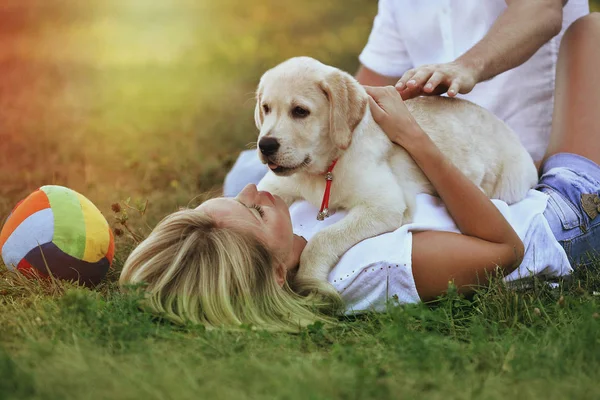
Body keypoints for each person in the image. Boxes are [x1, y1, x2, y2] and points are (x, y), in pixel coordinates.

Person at [120, 14, 600, 331]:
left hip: (477, 162)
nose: (254, 191)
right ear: (278, 273)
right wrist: (414, 137)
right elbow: (507, 249)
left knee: (249, 165)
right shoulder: (380, 265)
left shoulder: (284, 239)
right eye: (255, 209)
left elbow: (349, 96)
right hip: (557, 218)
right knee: (590, 32)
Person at [223, 0, 589, 196]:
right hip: (430, 147)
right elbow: (364, 93)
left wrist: (467, 67)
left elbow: (540, 10)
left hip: (515, 154)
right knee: (245, 174)